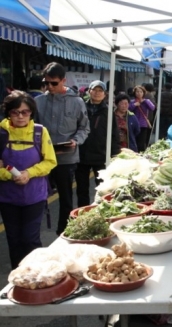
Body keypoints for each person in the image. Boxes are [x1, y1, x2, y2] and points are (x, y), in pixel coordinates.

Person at [1, 91, 57, 268]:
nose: (20, 116)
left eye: (25, 112)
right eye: (15, 112)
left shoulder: (40, 132)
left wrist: (29, 173)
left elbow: (50, 161)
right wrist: (9, 175)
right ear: (8, 113)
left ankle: (36, 273)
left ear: (31, 112)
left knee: (30, 239)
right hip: (7, 197)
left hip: (34, 196)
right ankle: (18, 278)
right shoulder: (1, 134)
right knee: (14, 239)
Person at [35, 62, 89, 236]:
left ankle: (64, 232)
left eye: (54, 83)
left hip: (66, 157)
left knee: (65, 197)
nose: (49, 87)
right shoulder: (38, 101)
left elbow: (84, 127)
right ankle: (34, 230)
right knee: (37, 197)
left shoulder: (77, 102)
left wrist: (76, 140)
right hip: (40, 158)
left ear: (63, 80)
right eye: (46, 83)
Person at [76, 80, 120, 207]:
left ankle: (101, 211)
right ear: (89, 91)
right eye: (94, 89)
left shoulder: (108, 111)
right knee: (82, 189)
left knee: (103, 189)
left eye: (100, 90)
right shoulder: (81, 108)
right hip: (82, 154)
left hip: (101, 155)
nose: (97, 93)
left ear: (105, 94)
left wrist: (115, 154)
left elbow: (114, 133)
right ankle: (83, 212)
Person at [129, 85, 155, 152]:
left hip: (143, 124)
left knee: (142, 142)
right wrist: (134, 105)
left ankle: (141, 153)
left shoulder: (146, 101)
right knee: (134, 141)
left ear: (143, 93)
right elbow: (128, 109)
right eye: (137, 92)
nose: (139, 93)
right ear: (135, 93)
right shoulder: (132, 101)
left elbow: (152, 108)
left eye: (141, 92)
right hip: (133, 124)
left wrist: (145, 101)